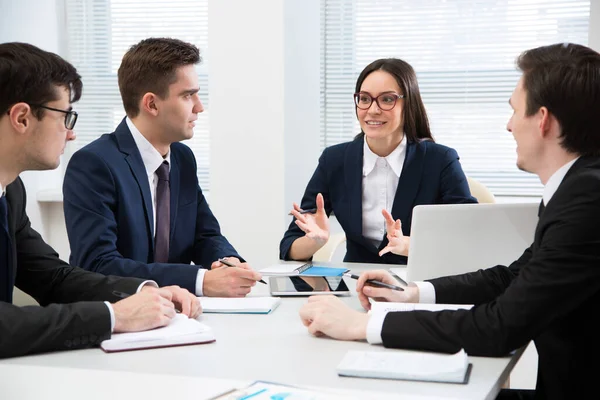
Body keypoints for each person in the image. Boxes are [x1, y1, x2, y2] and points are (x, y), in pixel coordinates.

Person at [298, 43, 600, 399]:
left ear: (543, 119)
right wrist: (414, 293)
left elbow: (497, 327)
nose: (508, 126)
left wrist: (362, 324)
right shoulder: (576, 191)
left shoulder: (586, 203)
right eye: (364, 98)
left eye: (514, 111)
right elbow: (511, 276)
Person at [0, 42, 201, 359]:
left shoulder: (10, 191)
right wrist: (114, 317)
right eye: (65, 116)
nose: (71, 134)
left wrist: (144, 291)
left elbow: (53, 278)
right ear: (22, 118)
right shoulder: (93, 163)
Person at [63, 38, 262, 298]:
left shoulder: (182, 158)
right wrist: (201, 280)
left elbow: (205, 235)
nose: (199, 107)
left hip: (175, 314)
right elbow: (99, 264)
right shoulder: (94, 164)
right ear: (152, 104)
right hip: (116, 316)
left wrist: (225, 261)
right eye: (188, 95)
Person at [280, 58, 476, 265]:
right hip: (356, 284)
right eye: (364, 99)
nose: (373, 110)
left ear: (408, 104)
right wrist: (315, 242)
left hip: (419, 283)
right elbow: (289, 246)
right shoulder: (334, 160)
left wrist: (411, 246)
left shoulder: (440, 160)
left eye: (387, 99)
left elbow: (470, 238)